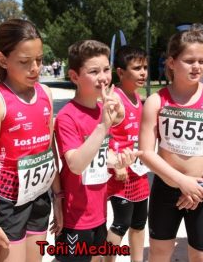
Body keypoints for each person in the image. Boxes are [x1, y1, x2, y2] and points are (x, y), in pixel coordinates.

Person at [139, 28, 203, 261]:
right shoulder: (156, 101)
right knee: (159, 253)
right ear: (172, 62)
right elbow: (145, 152)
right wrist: (182, 181)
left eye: (202, 61)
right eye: (189, 60)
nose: (197, 67)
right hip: (167, 190)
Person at [0, 19, 62, 262]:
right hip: (7, 201)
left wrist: (58, 197)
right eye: (25, 62)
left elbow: (49, 151)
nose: (35, 68)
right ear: (3, 60)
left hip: (38, 195)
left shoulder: (45, 93)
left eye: (39, 59)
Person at [54, 40, 140, 262]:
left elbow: (100, 156)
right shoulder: (67, 116)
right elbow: (75, 164)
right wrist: (103, 127)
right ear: (74, 77)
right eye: (94, 71)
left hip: (99, 212)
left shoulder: (102, 110)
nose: (103, 77)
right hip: (75, 217)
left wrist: (118, 160)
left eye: (105, 69)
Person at [105, 45, 149, 262]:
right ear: (121, 72)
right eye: (137, 68)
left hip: (138, 171)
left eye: (145, 67)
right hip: (120, 173)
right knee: (121, 223)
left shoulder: (137, 98)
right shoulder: (116, 99)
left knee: (140, 223)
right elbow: (104, 136)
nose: (143, 73)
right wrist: (117, 165)